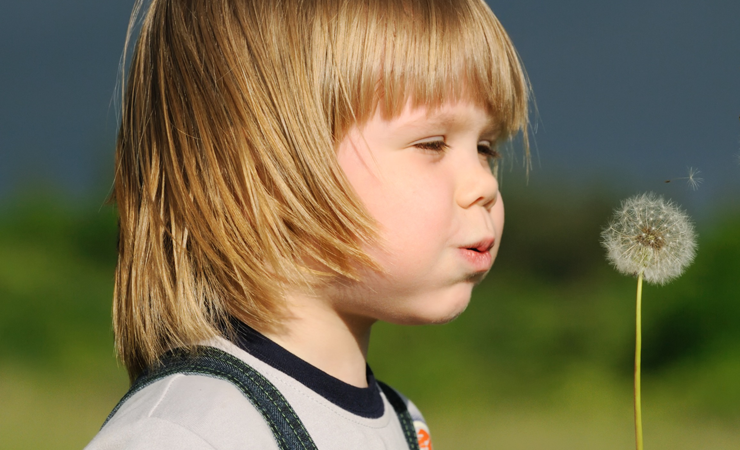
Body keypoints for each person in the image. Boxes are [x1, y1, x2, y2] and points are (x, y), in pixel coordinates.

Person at [87, 0, 529, 448]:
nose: (484, 185)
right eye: (432, 143)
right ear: (260, 165)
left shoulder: (404, 424)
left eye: (486, 148)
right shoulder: (184, 435)